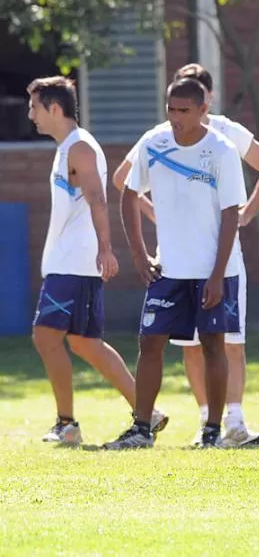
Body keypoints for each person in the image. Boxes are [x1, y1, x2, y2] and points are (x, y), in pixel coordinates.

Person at [112, 63, 259, 448]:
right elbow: (125, 191)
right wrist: (139, 255)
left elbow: (230, 214)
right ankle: (142, 428)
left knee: (215, 345)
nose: (175, 117)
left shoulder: (222, 148)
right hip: (169, 269)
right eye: (170, 109)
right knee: (151, 342)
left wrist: (218, 273)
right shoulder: (154, 143)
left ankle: (215, 429)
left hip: (213, 269)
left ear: (204, 107)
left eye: (183, 110)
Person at [27, 76, 167, 445]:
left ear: (54, 108)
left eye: (35, 107)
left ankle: (66, 423)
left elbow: (98, 199)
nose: (30, 115)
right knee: (85, 343)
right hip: (68, 263)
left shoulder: (81, 148)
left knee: (45, 336)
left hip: (74, 265)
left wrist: (106, 249)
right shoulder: (67, 148)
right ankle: (147, 412)